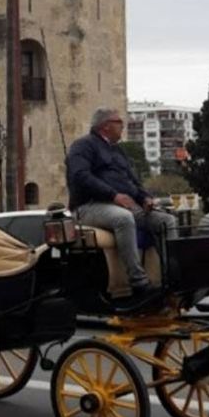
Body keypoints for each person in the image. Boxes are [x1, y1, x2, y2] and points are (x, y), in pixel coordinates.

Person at [66, 106, 177, 312]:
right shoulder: (83, 146)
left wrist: (145, 198)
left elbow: (133, 182)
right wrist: (113, 195)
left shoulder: (118, 151)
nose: (123, 126)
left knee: (166, 220)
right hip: (90, 207)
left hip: (123, 206)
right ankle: (139, 283)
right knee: (124, 218)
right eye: (119, 122)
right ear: (106, 126)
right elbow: (80, 176)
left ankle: (172, 277)